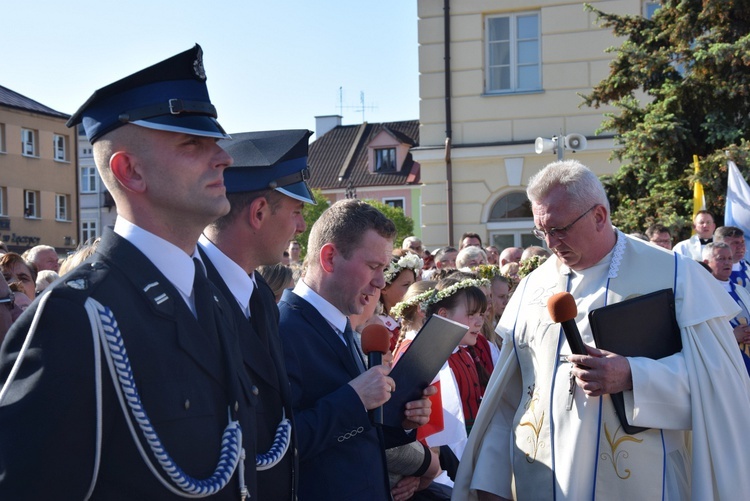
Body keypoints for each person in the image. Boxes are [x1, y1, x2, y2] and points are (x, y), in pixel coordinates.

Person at [0, 45, 261, 499]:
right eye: (193, 144)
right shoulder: (75, 317)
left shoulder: (213, 297)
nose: (224, 158)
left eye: (215, 143)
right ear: (130, 171)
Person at [453, 159, 750, 500]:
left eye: (560, 228)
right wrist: (491, 481)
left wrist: (634, 375)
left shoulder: (674, 276)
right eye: (542, 231)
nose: (551, 242)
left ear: (599, 216)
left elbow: (723, 384)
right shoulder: (533, 286)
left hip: (641, 483)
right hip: (541, 482)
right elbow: (510, 398)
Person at [278, 199, 435, 500]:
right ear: (330, 258)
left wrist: (402, 420)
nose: (380, 282)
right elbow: (279, 442)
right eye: (373, 266)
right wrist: (355, 399)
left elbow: (359, 433)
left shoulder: (342, 325)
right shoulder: (283, 329)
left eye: (384, 268)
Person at [199, 129, 316, 500]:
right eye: (297, 212)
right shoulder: (189, 292)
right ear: (259, 212)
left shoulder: (259, 293)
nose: (300, 227)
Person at [702, 242, 750, 374]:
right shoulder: (703, 293)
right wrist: (731, 337)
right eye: (721, 259)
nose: (727, 262)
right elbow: (701, 336)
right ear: (706, 262)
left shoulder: (741, 291)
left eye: (729, 258)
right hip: (726, 366)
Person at [380, 251, 423, 351]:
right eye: (406, 285)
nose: (412, 290)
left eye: (413, 284)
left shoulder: (413, 318)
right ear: (384, 288)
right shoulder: (379, 327)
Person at [713, 225, 750, 290]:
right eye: (735, 243)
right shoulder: (713, 272)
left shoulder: (746, 267)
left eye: (742, 242)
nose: (741, 246)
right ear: (720, 245)